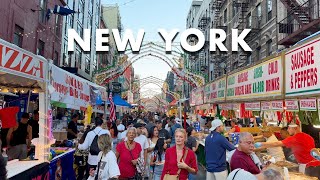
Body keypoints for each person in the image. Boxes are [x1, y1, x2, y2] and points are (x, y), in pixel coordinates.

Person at [256, 122, 320, 178]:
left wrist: (261, 144)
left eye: (289, 128)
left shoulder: (295, 138)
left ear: (296, 128)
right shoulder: (308, 136)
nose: (288, 130)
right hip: (317, 165)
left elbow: (276, 143)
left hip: (308, 167)